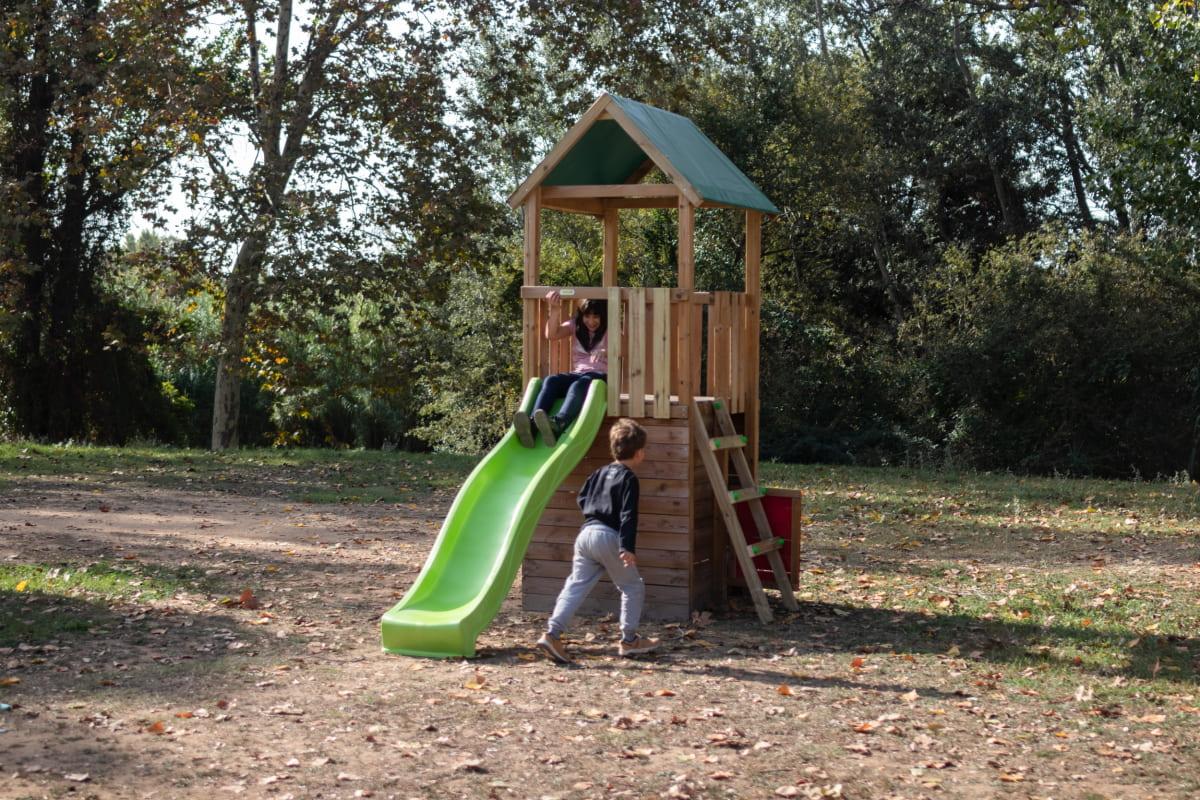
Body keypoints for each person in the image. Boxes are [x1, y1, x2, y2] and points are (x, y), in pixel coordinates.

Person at [535, 419, 660, 663]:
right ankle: (629, 640)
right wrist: (627, 547)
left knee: (576, 585)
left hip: (585, 535)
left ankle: (552, 634)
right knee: (632, 586)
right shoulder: (629, 478)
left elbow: (582, 498)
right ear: (638, 453)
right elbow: (628, 515)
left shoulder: (598, 472)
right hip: (609, 536)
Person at [513, 291, 607, 448]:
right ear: (581, 315)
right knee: (552, 380)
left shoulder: (609, 329)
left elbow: (625, 349)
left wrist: (605, 351)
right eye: (587, 316)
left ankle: (559, 422)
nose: (591, 321)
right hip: (578, 374)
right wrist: (555, 309)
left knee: (579, 384)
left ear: (603, 317)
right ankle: (532, 425)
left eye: (596, 317)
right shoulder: (576, 325)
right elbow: (552, 334)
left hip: (599, 378)